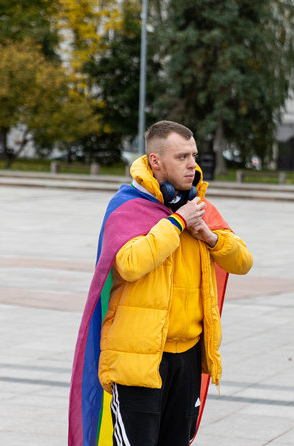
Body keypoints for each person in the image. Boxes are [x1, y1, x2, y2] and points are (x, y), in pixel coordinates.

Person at [69, 120, 253, 446]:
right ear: (156, 161)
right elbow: (129, 264)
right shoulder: (128, 206)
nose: (193, 165)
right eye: (182, 157)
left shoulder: (199, 207)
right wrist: (178, 222)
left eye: (193, 155)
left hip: (188, 357)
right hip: (137, 357)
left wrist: (209, 236)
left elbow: (242, 261)